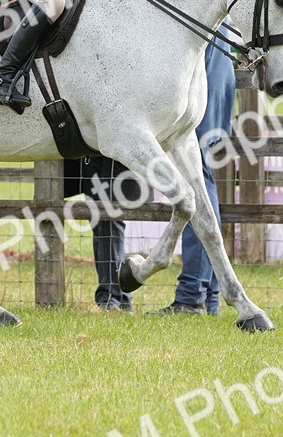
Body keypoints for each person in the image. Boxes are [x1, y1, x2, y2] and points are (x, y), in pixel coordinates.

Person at [152, 27, 236, 315]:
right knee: (203, 178)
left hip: (203, 83)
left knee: (197, 181)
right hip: (216, 77)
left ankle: (192, 294)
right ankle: (208, 295)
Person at [64, 155, 144, 312]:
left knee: (110, 220)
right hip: (90, 158)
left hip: (113, 159)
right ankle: (114, 297)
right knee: (100, 223)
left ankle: (113, 298)